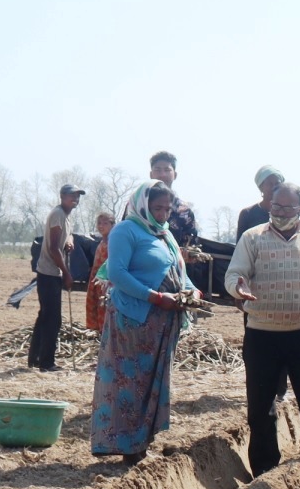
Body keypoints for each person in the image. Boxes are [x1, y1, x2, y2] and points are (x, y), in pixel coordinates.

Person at [226, 181, 300, 475]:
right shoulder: (252, 239)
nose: (278, 212)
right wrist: (239, 288)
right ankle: (264, 468)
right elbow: (234, 274)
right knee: (261, 405)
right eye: (275, 206)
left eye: (286, 208)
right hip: (261, 334)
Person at [91, 180, 196, 465]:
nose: (162, 214)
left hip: (162, 323)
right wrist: (155, 297)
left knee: (151, 383)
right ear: (143, 205)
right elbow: (118, 274)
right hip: (133, 320)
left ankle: (142, 442)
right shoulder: (126, 230)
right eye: (157, 207)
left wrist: (192, 290)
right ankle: (125, 445)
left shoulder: (167, 235)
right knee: (130, 383)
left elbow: (179, 271)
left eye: (166, 209)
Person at [31, 184, 84, 371]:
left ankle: (35, 358)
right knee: (53, 319)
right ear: (62, 196)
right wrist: (67, 274)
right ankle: (46, 363)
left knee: (44, 316)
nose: (75, 199)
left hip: (51, 272)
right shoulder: (57, 214)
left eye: (77, 196)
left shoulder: (66, 216)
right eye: (72, 196)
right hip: (49, 272)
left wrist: (69, 241)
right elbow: (53, 248)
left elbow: (65, 235)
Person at [85, 211, 115, 331]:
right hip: (96, 283)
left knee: (106, 309)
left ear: (113, 225)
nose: (101, 226)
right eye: (99, 223)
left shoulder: (114, 243)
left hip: (108, 284)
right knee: (96, 307)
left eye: (105, 223)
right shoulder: (102, 242)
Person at [236, 165, 284, 241]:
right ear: (261, 187)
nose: (274, 187)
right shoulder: (247, 214)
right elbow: (240, 247)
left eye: (277, 183)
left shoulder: (288, 213)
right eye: (270, 184)